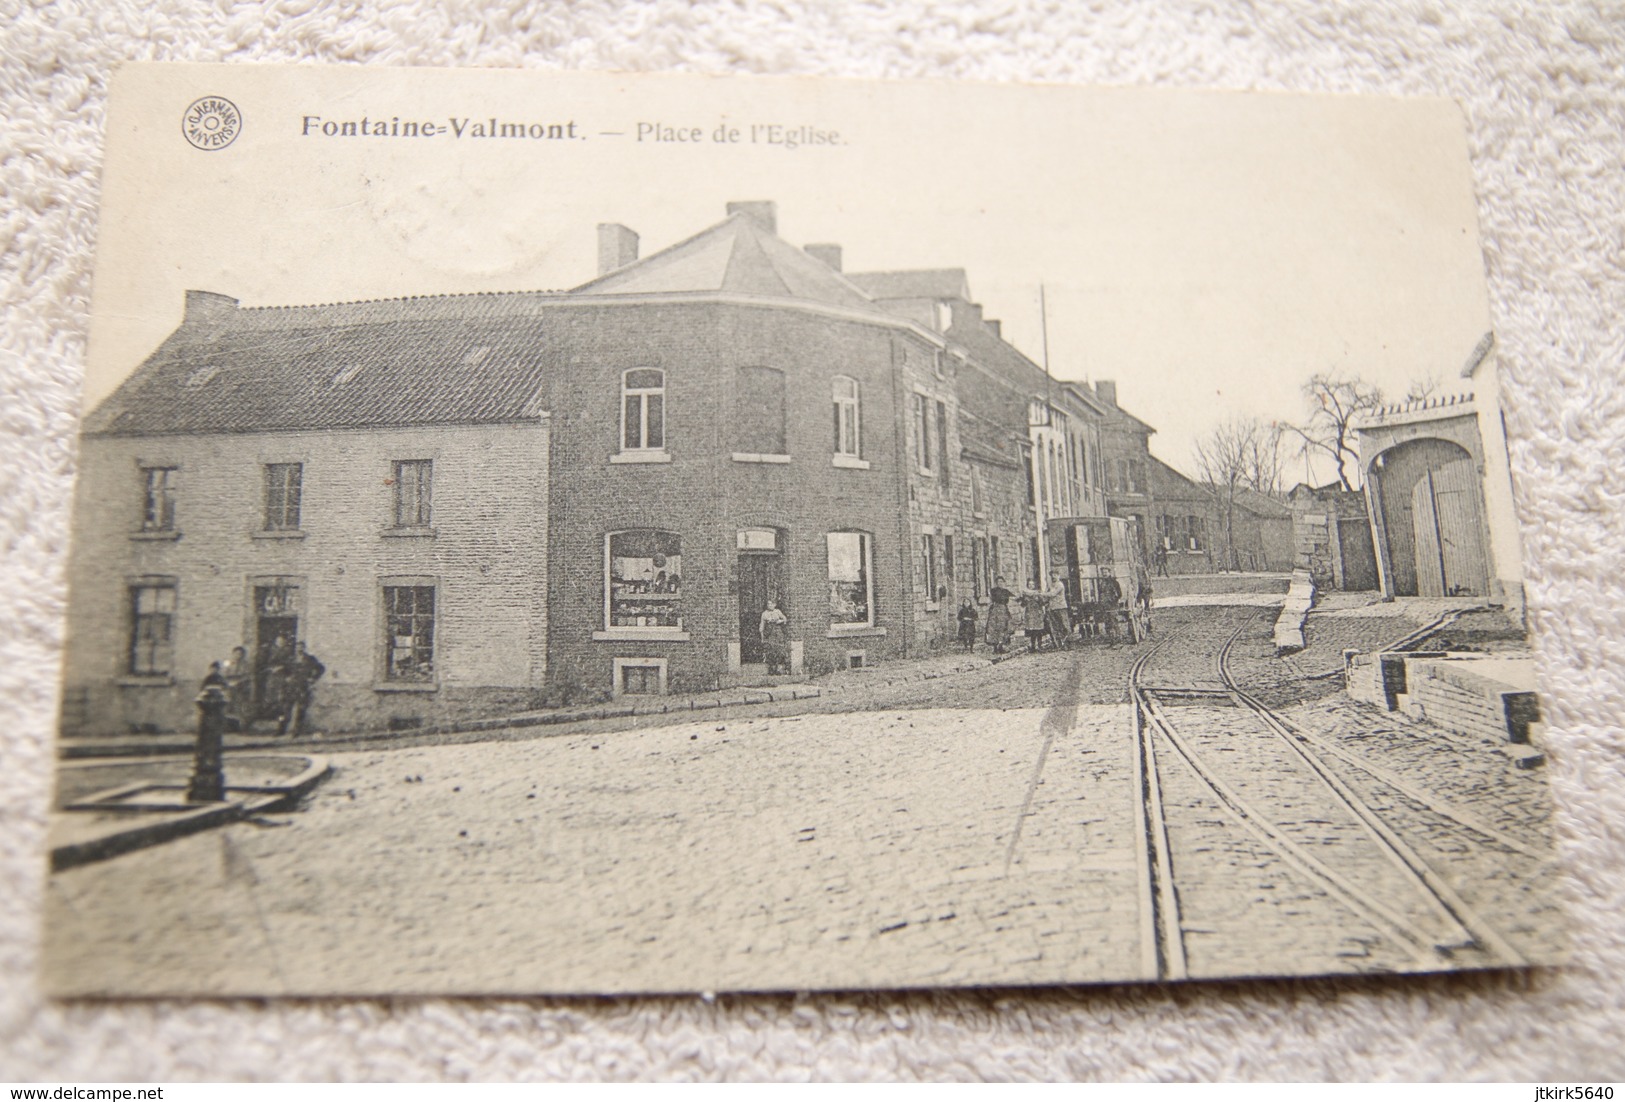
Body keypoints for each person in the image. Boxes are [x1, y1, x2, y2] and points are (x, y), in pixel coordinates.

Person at [277, 640, 326, 738]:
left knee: (300, 710)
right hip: (290, 687)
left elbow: (321, 668)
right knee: (285, 709)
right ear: (295, 648)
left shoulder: (310, 659)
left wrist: (313, 678)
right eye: (298, 647)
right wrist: (286, 677)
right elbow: (282, 669)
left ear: (304, 648)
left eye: (302, 647)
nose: (300, 649)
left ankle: (296, 731)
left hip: (303, 687)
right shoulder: (290, 659)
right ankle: (281, 730)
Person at [220, 644, 251, 732]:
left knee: (239, 708)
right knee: (228, 707)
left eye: (240, 654)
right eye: (236, 653)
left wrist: (239, 682)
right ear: (233, 654)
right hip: (229, 688)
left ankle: (240, 728)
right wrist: (228, 683)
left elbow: (247, 677)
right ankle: (227, 727)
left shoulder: (246, 665)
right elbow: (224, 675)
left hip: (240, 688)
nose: (238, 655)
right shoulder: (228, 663)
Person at [759, 599, 790, 675]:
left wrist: (780, 621)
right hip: (769, 633)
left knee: (778, 651)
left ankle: (777, 669)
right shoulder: (764, 614)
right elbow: (762, 625)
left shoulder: (777, 611)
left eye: (771, 604)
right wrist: (762, 635)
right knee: (770, 651)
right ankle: (771, 669)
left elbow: (785, 619)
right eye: (768, 604)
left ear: (774, 605)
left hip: (777, 632)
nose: (770, 606)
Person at [985, 577, 1014, 654]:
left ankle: (1001, 646)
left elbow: (1013, 598)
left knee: (1003, 628)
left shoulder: (1006, 591)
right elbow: (990, 599)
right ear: (996, 583)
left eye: (1001, 581)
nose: (1000, 583)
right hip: (995, 610)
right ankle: (995, 647)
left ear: (1004, 582)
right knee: (994, 628)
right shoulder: (993, 591)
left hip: (1003, 610)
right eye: (998, 582)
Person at [1096, 567, 1124, 641]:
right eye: (1103, 573)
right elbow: (1100, 594)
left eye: (1106, 572)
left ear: (1109, 573)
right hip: (1104, 605)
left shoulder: (1114, 582)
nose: (1104, 574)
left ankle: (1118, 636)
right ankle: (1111, 638)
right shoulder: (1101, 583)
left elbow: (1119, 594)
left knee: (1113, 620)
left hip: (1112, 605)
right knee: (1106, 621)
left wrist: (1113, 600)